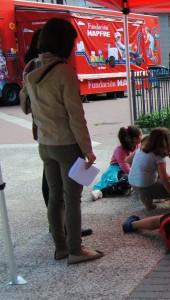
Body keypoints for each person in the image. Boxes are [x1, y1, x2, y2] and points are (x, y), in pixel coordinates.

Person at [19, 18, 101, 264]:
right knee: (72, 198)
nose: (74, 47)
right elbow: (76, 117)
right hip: (67, 145)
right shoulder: (65, 72)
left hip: (45, 144)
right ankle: (76, 250)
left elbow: (25, 107)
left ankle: (61, 248)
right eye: (73, 42)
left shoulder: (31, 69)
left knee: (55, 197)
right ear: (64, 42)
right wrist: (88, 150)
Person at [128, 128, 170, 210]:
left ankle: (146, 196)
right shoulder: (159, 155)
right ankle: (147, 194)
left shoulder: (142, 148)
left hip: (132, 183)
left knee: (158, 179)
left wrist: (139, 170)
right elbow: (164, 179)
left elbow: (127, 160)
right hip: (146, 186)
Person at [91, 126, 142, 201]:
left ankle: (124, 187)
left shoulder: (138, 145)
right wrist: (135, 175)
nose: (142, 136)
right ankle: (101, 192)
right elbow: (125, 167)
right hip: (117, 169)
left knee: (131, 181)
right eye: (141, 135)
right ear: (135, 139)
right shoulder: (120, 150)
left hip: (130, 169)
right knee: (124, 181)